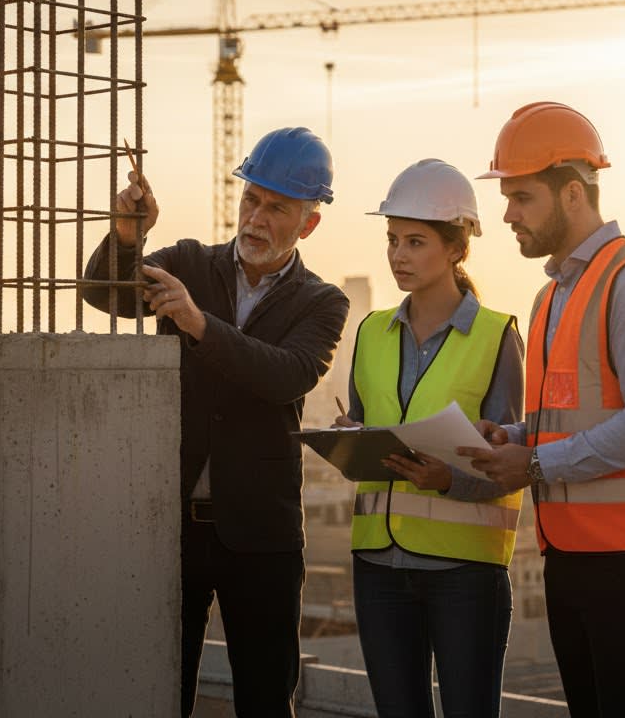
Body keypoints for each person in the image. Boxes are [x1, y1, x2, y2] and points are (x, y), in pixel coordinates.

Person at [457, 102, 625, 718]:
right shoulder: (552, 294)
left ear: (572, 193)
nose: (507, 215)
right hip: (574, 555)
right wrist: (514, 435)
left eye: (521, 197)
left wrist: (533, 466)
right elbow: (567, 418)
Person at [81, 127, 349, 718]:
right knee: (159, 689)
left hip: (262, 536)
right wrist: (127, 233)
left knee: (264, 698)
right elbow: (104, 293)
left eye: (277, 207)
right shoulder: (185, 262)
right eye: (251, 199)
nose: (256, 217)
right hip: (172, 525)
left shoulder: (322, 302)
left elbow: (288, 374)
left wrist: (198, 323)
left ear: (308, 224)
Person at [336, 159, 525, 718]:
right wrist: (347, 442)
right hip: (378, 567)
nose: (398, 255)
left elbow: (511, 462)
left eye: (415, 242)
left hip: (465, 575)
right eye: (392, 240)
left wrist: (450, 480)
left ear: (456, 248)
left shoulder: (497, 337)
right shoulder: (370, 332)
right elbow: (367, 430)